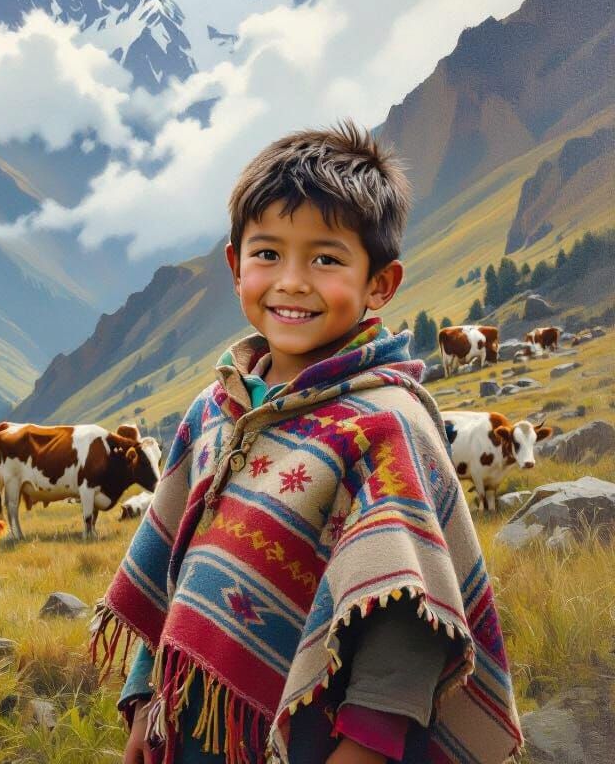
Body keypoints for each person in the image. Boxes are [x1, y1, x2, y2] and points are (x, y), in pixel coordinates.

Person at [91, 123, 521, 764]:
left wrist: (364, 751)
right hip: (186, 725)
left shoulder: (384, 426)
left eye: (325, 258)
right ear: (236, 266)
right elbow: (178, 572)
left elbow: (406, 617)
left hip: (308, 739)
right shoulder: (215, 408)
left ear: (381, 282)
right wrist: (143, 701)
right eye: (268, 254)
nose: (292, 281)